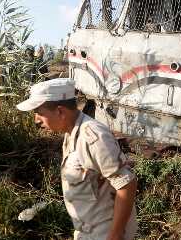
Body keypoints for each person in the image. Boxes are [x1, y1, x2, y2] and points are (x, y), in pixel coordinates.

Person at [16, 78, 138, 240]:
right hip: (87, 231)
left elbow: (126, 184)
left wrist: (115, 235)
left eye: (40, 113)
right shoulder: (71, 133)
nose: (36, 120)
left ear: (60, 111)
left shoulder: (93, 137)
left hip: (104, 233)